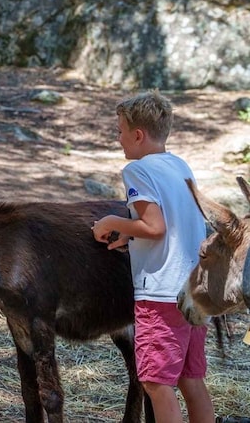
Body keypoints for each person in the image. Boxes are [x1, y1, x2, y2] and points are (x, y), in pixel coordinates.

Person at [91, 91, 215, 423]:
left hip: (161, 294)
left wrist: (113, 222)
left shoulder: (137, 171)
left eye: (119, 131)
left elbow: (155, 226)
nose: (118, 139)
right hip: (195, 291)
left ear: (138, 134)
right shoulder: (180, 165)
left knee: (156, 383)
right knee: (191, 379)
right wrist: (131, 236)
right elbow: (175, 222)